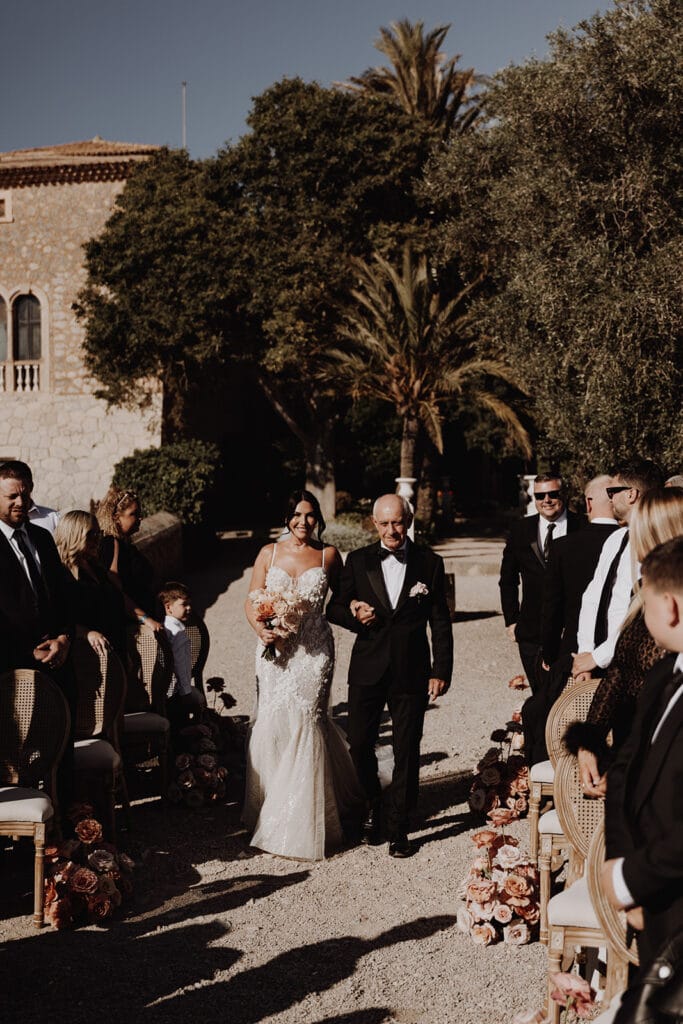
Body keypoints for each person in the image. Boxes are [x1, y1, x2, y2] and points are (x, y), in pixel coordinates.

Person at [326, 493, 453, 858]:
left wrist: (440, 670)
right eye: (384, 523)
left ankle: (400, 826)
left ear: (409, 520)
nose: (391, 530)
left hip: (412, 670)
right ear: (374, 523)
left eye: (397, 522)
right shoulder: (360, 559)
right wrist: (353, 612)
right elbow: (334, 605)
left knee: (406, 748)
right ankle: (373, 806)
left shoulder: (429, 562)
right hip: (367, 667)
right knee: (361, 744)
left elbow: (440, 620)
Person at [242, 490, 362, 861]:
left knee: (308, 721)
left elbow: (342, 599)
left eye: (310, 516)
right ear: (286, 517)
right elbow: (251, 599)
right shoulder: (269, 553)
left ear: (318, 519)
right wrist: (262, 631)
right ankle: (269, 805)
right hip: (275, 651)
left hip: (314, 652)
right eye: (296, 515)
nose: (302, 522)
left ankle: (303, 820)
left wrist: (358, 608)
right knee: (274, 721)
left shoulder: (329, 556)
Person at [564, 488, 683, 796]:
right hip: (631, 743)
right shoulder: (643, 592)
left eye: (639, 529)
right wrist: (590, 741)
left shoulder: (669, 604)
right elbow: (620, 670)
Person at [603, 535, 683, 970]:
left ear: (668, 605)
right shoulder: (662, 675)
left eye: (644, 599)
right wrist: (621, 860)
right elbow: (625, 769)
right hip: (649, 901)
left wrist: (630, 879)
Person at [522, 474, 618, 764]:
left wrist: (549, 654)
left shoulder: (564, 547)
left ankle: (549, 775)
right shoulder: (633, 542)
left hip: (573, 652)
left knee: (546, 715)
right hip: (620, 651)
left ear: (587, 503)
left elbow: (552, 609)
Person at [0, 462, 76, 814]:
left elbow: (63, 598)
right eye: (11, 495)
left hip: (56, 664)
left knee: (63, 750)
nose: (20, 501)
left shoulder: (43, 538)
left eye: (24, 493)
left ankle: (71, 831)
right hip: (11, 671)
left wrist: (62, 638)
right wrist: (27, 651)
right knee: (16, 758)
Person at [573, 458, 664, 682]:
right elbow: (592, 597)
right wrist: (586, 653)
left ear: (631, 494)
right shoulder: (616, 538)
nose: (609, 497)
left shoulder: (660, 543)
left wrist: (597, 657)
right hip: (599, 661)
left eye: (613, 491)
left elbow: (641, 618)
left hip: (637, 663)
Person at [499, 474, 583, 691]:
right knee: (540, 695)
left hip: (573, 631)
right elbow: (508, 580)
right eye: (540, 495)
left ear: (563, 495)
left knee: (570, 697)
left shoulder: (583, 526)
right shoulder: (520, 530)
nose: (546, 500)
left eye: (553, 494)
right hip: (530, 632)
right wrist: (511, 620)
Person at [54, 510, 130, 662]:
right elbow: (60, 619)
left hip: (115, 649)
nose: (97, 540)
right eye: (90, 535)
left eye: (98, 534)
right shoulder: (60, 575)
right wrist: (86, 633)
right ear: (73, 535)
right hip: (88, 658)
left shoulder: (97, 568)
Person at [96, 487, 162, 633]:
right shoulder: (111, 543)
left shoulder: (125, 543)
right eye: (133, 514)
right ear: (116, 517)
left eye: (139, 513)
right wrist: (145, 619)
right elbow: (116, 591)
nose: (140, 518)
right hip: (133, 628)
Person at [159, 581, 206, 738]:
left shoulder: (163, 626)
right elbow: (181, 664)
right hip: (177, 692)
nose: (189, 608)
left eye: (189, 604)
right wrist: (186, 691)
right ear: (168, 607)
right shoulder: (178, 631)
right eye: (184, 604)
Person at [0, 460, 59, 532]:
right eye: (12, 496)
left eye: (24, 495)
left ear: (31, 487)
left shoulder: (53, 519)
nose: (20, 502)